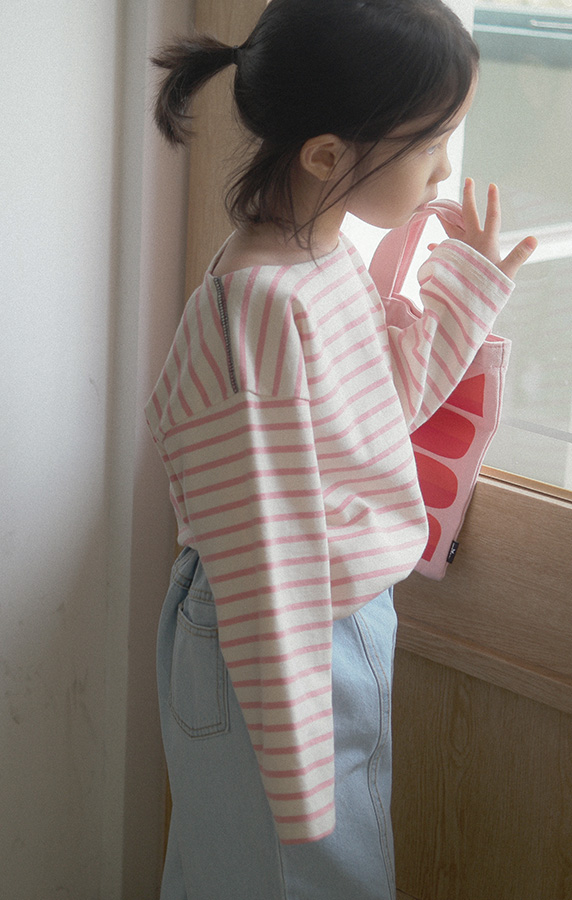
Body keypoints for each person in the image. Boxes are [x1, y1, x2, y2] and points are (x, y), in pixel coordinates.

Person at [145, 1, 536, 898]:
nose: (445, 170)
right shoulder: (261, 306)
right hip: (278, 625)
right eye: (430, 144)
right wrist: (297, 763)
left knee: (268, 867)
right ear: (327, 155)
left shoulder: (318, 260)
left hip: (327, 612)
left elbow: (383, 410)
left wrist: (467, 282)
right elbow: (266, 543)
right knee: (297, 870)